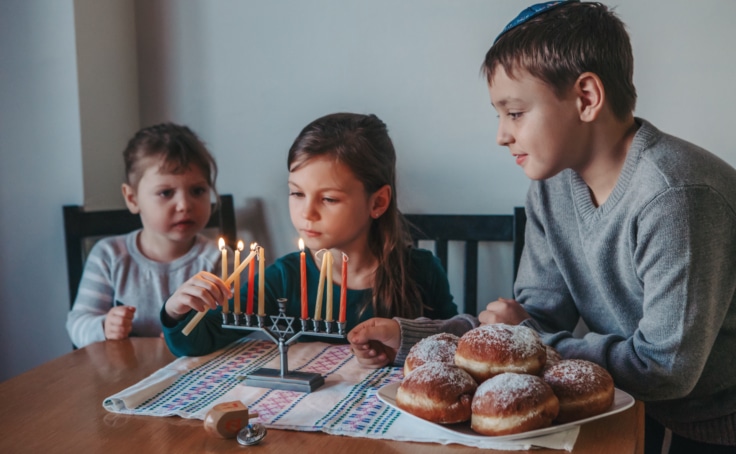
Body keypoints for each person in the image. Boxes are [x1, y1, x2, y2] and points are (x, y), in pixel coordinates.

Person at [348, 1, 736, 452]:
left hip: (711, 428)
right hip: (629, 408)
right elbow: (532, 321)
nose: (501, 134)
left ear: (586, 98)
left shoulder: (675, 197)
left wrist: (531, 336)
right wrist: (415, 335)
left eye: (514, 113)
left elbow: (665, 369)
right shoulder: (552, 189)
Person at [162, 112, 459, 357]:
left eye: (328, 199)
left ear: (378, 202)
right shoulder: (284, 278)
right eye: (296, 193)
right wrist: (175, 311)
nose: (307, 213)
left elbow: (454, 347)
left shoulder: (421, 271)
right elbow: (195, 341)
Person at [66, 122, 227, 348]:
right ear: (132, 199)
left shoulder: (221, 259)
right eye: (166, 193)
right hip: (123, 378)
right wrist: (104, 326)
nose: (184, 205)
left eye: (197, 191)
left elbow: (237, 328)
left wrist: (198, 335)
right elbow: (77, 323)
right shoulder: (109, 256)